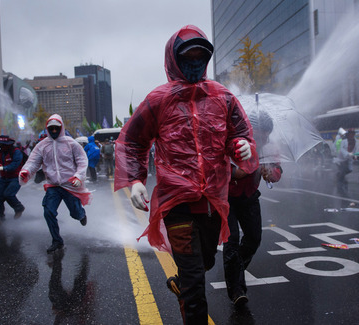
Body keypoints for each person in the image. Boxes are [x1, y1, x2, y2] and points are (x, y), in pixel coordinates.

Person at [114, 25, 258, 324]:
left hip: (213, 202)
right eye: (187, 56)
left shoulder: (223, 97)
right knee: (195, 287)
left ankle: (185, 280)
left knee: (203, 262)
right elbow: (132, 141)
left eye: (199, 56)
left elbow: (239, 133)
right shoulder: (158, 100)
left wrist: (241, 146)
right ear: (174, 59)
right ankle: (188, 292)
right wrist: (137, 179)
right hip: (177, 204)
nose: (194, 62)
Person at [223, 111, 282, 307]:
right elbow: (221, 166)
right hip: (227, 198)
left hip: (249, 197)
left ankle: (234, 272)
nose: (263, 138)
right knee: (231, 242)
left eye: (266, 134)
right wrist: (238, 172)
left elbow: (277, 172)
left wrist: (270, 173)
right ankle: (237, 290)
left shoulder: (271, 148)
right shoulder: (235, 141)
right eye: (259, 133)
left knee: (254, 239)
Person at [19, 114, 92, 253]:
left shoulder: (71, 144)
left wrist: (78, 177)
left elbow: (82, 161)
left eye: (56, 128)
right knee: (48, 212)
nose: (53, 131)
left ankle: (81, 214)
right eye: (51, 128)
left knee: (75, 213)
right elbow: (33, 162)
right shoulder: (42, 146)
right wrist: (26, 172)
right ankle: (57, 241)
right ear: (47, 128)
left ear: (61, 127)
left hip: (70, 185)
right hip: (53, 186)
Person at [0, 135, 25, 226]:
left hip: (15, 178)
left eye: (3, 144)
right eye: (0, 144)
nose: (1, 146)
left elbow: (15, 165)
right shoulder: (1, 153)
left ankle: (19, 208)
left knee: (8, 194)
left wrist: (4, 168)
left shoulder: (16, 152)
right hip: (4, 178)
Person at [334, 127, 356, 197]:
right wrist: (347, 154)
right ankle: (341, 190)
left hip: (349, 159)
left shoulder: (355, 141)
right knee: (342, 173)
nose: (351, 135)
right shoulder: (342, 141)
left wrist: (354, 155)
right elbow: (340, 149)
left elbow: (356, 150)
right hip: (342, 159)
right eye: (350, 133)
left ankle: (340, 177)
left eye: (353, 133)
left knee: (349, 169)